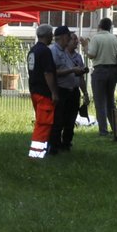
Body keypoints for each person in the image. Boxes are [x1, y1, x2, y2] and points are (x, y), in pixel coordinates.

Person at [50, 25, 88, 154]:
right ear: (64, 37)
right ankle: (55, 146)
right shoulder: (54, 51)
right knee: (58, 119)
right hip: (61, 90)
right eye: (71, 38)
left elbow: (79, 76)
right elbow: (53, 72)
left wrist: (85, 92)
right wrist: (72, 70)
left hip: (73, 91)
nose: (75, 41)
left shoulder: (71, 54)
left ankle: (66, 144)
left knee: (70, 120)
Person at [85, 17, 117, 140]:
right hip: (113, 71)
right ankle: (115, 128)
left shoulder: (96, 38)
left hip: (100, 71)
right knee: (110, 101)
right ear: (110, 27)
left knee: (100, 102)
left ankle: (103, 130)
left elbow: (91, 55)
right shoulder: (115, 38)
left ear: (99, 26)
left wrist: (85, 46)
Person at [27, 24, 58, 159]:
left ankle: (40, 152)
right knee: (43, 124)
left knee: (40, 121)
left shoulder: (32, 50)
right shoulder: (45, 51)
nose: (52, 37)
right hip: (44, 93)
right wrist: (54, 92)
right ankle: (36, 154)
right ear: (47, 35)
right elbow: (48, 73)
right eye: (51, 34)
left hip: (34, 91)